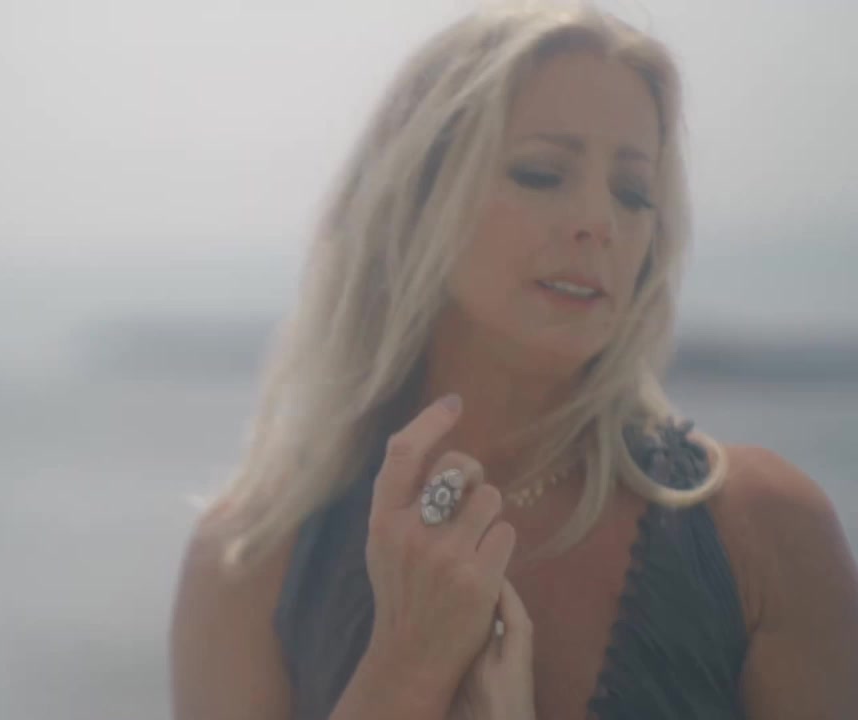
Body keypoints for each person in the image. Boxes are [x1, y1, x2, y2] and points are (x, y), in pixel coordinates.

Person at [168, 3, 858, 720]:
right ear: (415, 199)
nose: (598, 222)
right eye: (541, 173)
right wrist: (407, 662)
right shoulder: (247, 564)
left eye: (633, 193)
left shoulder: (767, 536)